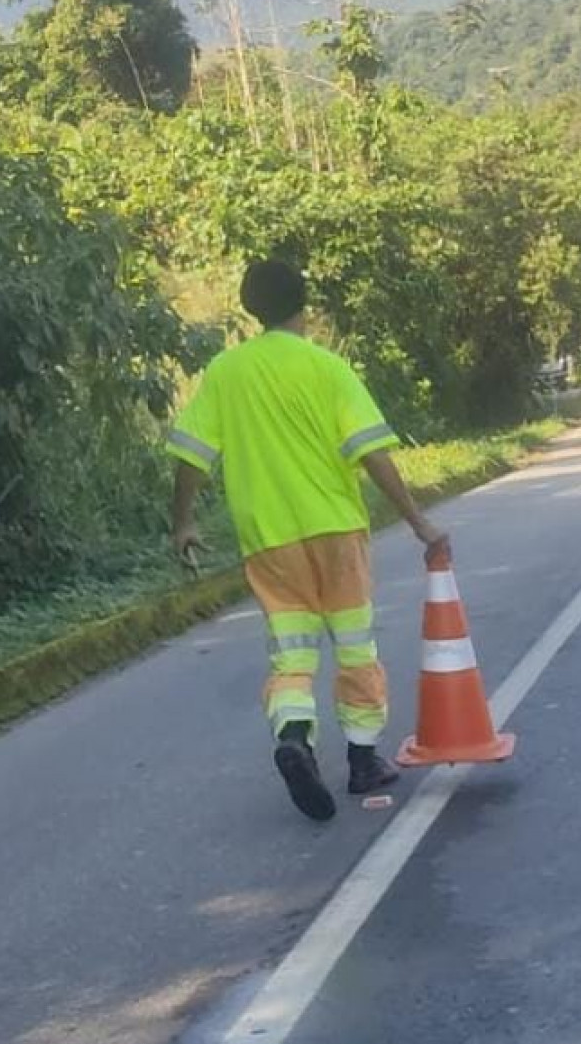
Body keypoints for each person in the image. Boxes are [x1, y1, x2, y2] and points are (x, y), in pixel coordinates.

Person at [168, 260, 451, 823]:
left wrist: (183, 522)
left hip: (268, 538)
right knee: (355, 647)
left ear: (251, 306)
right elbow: (373, 454)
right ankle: (363, 761)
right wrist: (419, 522)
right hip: (336, 529)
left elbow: (191, 455)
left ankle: (295, 736)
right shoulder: (327, 368)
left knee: (292, 653)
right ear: (305, 303)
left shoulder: (226, 373)